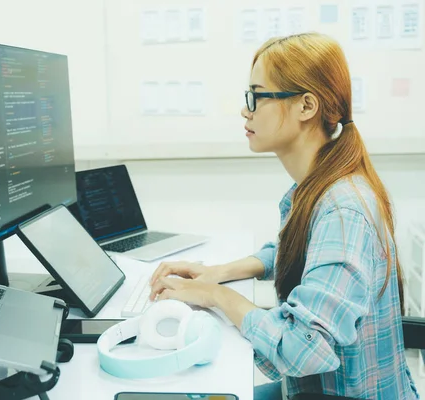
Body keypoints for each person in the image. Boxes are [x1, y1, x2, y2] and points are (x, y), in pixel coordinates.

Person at [148, 32, 420, 400]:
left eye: (256, 97)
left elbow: (301, 347)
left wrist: (216, 296)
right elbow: (292, 251)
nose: (246, 110)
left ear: (306, 107)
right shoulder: (316, 187)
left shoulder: (343, 210)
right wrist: (220, 273)